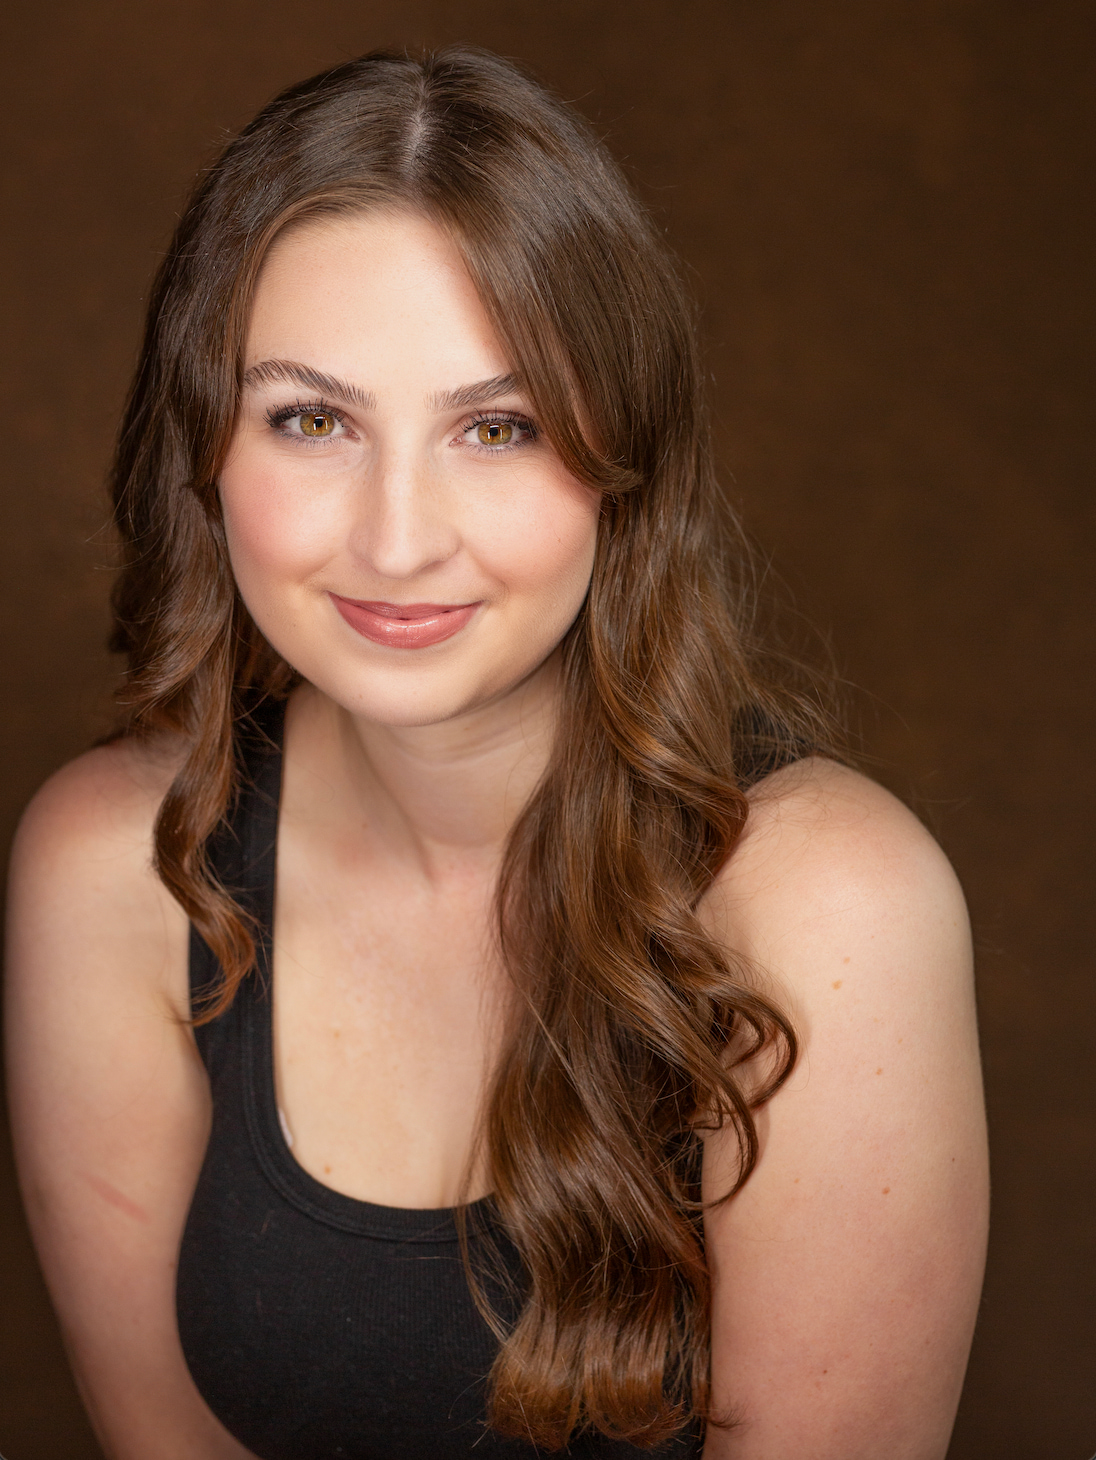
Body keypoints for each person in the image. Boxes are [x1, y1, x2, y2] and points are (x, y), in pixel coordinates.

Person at [3, 46, 988, 1460]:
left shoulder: (831, 909)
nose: (399, 538)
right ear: (204, 450)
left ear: (618, 457)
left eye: (499, 426)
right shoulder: (113, 871)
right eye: (312, 419)